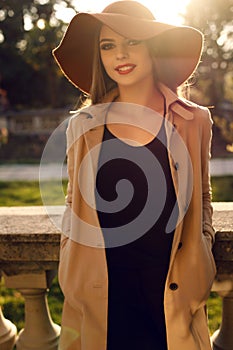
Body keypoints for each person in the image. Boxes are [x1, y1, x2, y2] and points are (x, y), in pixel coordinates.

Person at [53, 1, 216, 350]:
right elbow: (73, 202)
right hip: (103, 286)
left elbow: (202, 194)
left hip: (171, 283)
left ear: (153, 45)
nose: (120, 54)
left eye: (132, 41)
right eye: (107, 45)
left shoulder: (195, 120)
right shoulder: (82, 125)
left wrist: (202, 247)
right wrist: (69, 255)